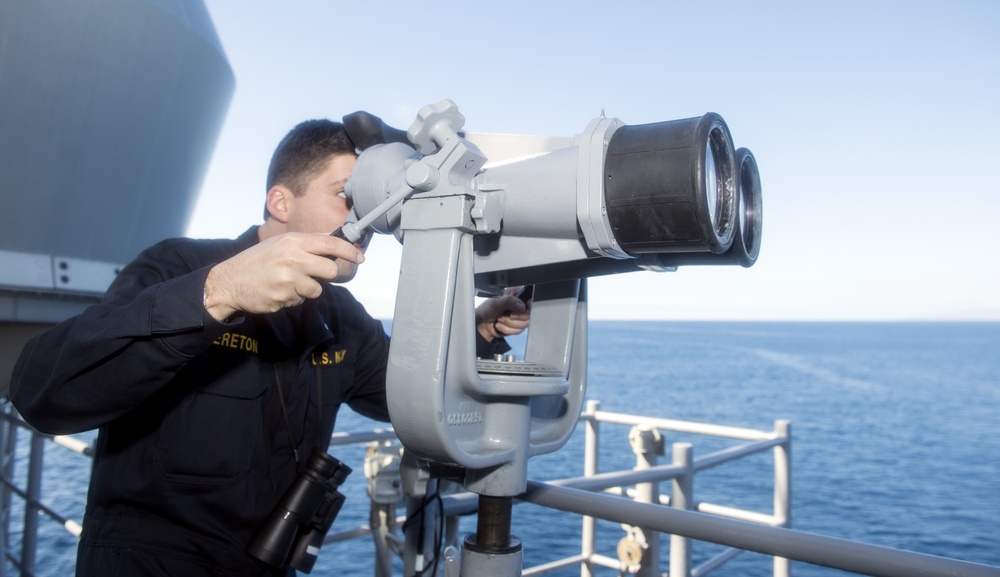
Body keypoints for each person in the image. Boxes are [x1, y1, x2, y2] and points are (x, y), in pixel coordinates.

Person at [9, 119, 529, 576]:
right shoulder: (178, 268)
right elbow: (43, 393)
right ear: (280, 201)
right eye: (349, 196)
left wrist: (479, 331)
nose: (369, 218)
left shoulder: (340, 316)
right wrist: (218, 293)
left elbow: (406, 392)